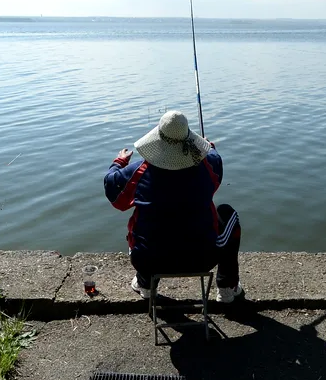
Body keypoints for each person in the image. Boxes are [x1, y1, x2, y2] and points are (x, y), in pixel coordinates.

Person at [104, 110, 244, 302]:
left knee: (144, 228)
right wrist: (208, 148)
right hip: (203, 259)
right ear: (188, 139)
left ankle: (146, 284)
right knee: (228, 214)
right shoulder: (207, 165)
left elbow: (114, 195)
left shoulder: (139, 171)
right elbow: (216, 166)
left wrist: (118, 162)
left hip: (148, 261)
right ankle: (228, 287)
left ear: (157, 140)